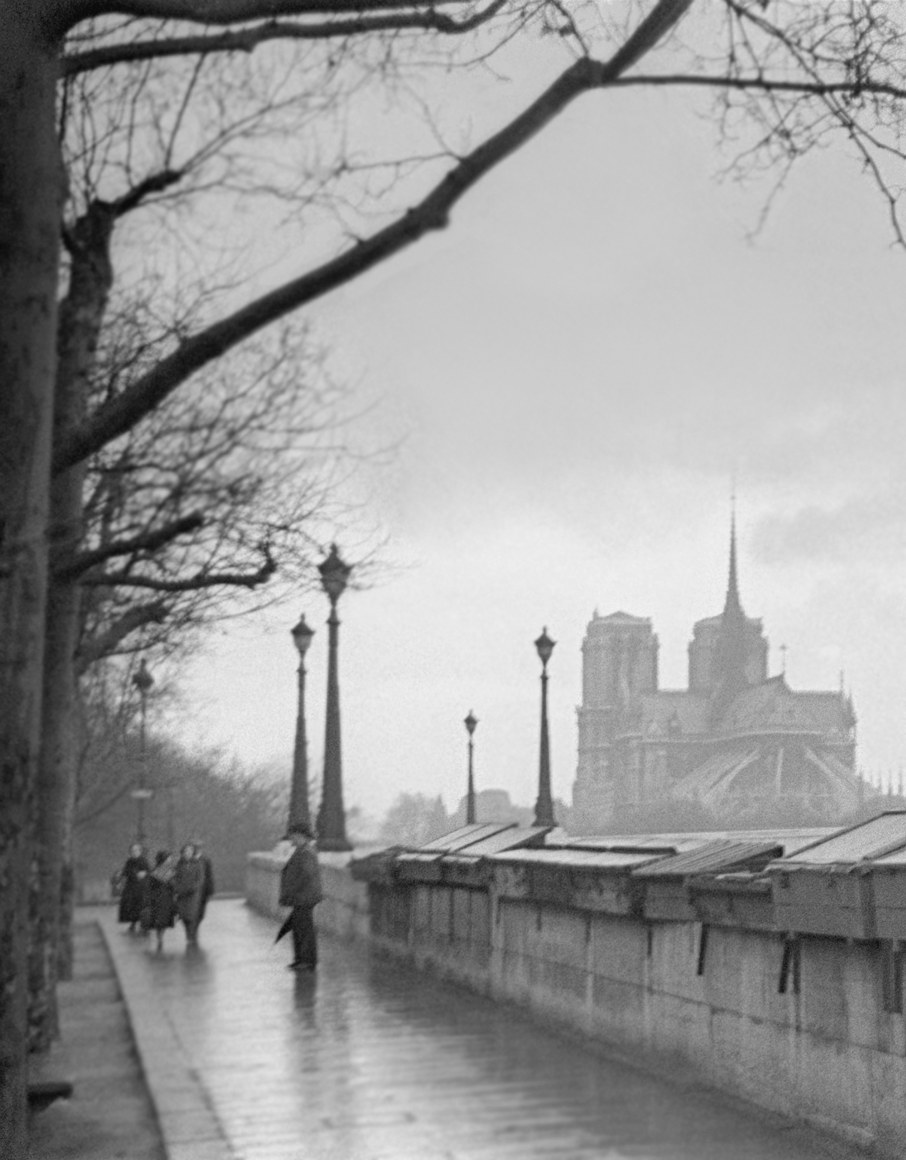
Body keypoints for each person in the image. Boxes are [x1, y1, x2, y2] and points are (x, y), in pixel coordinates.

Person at [279, 823, 323, 971]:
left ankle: (307, 961)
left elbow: (306, 875)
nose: (291, 838)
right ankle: (300, 959)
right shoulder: (302, 850)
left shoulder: (306, 852)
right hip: (301, 897)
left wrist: (291, 890)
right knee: (299, 928)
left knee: (304, 929)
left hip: (304, 898)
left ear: (300, 835)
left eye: (292, 835)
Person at [140, 851, 178, 952]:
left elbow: (175, 885)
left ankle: (161, 935)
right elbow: (149, 887)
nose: (170, 860)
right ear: (163, 860)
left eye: (170, 858)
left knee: (165, 920)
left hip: (168, 899)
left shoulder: (172, 871)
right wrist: (148, 898)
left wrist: (174, 887)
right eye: (168, 858)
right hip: (157, 898)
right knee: (158, 919)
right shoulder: (154, 872)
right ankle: (159, 936)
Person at [172, 842, 205, 945]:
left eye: (190, 851)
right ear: (182, 853)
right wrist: (177, 888)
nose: (187, 853)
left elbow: (200, 879)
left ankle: (191, 936)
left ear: (193, 853)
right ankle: (188, 933)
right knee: (183, 916)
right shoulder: (179, 864)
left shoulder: (197, 864)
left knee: (191, 915)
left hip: (193, 895)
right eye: (185, 851)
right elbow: (174, 878)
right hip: (181, 894)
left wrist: (193, 888)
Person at [116, 843, 150, 933]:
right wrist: (120, 877)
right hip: (131, 887)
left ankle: (145, 926)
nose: (134, 852)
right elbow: (125, 871)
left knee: (142, 906)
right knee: (131, 905)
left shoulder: (144, 861)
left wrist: (144, 874)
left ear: (140, 851)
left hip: (142, 887)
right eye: (132, 851)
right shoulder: (129, 861)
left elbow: (149, 871)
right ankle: (133, 924)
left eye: (136, 850)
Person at [191, 839, 215, 929]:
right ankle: (192, 930)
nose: (197, 849)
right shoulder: (189, 859)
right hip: (192, 889)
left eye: (198, 847)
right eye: (195, 848)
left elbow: (209, 875)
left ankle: (196, 926)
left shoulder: (206, 860)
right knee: (192, 911)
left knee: (201, 913)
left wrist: (210, 890)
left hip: (203, 890)